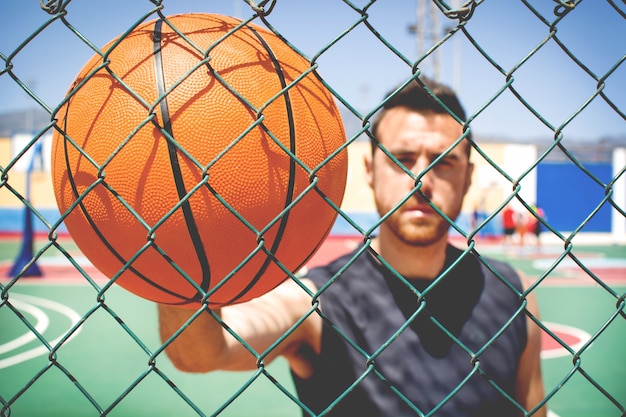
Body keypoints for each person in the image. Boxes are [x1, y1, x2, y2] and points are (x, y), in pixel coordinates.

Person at [157, 78, 547, 417]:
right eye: (403, 159)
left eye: (443, 162)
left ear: (468, 177)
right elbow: (202, 353)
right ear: (369, 170)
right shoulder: (319, 300)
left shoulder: (514, 296)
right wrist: (181, 226)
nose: (422, 180)